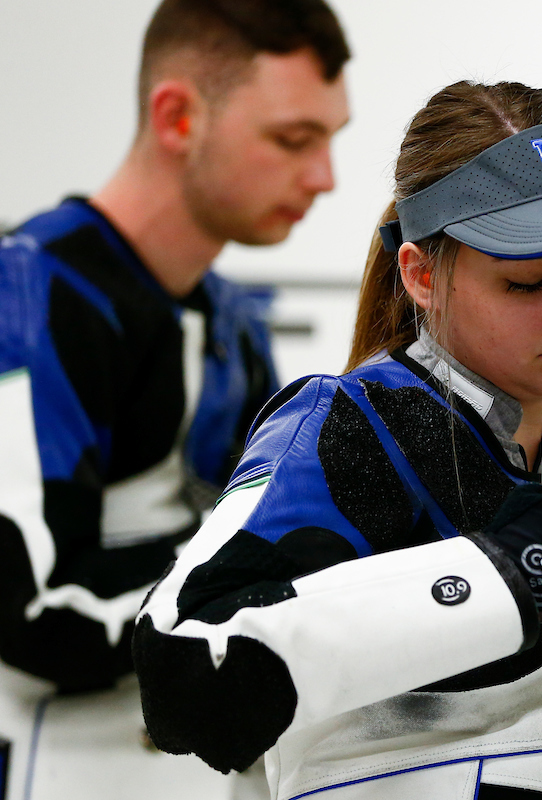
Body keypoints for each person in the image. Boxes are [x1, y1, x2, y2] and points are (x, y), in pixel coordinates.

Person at [132, 81, 542, 800]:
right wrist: (506, 575)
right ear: (420, 275)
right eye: (529, 281)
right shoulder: (345, 432)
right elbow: (183, 673)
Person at [0, 1, 350, 798]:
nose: (324, 177)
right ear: (177, 115)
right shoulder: (27, 295)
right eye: (294, 139)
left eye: (333, 138)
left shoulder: (228, 317)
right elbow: (30, 612)